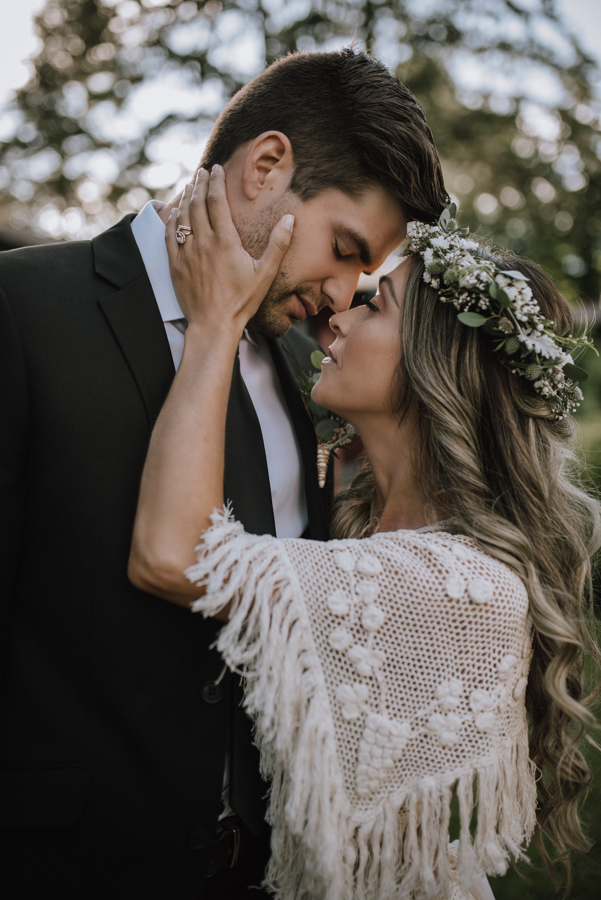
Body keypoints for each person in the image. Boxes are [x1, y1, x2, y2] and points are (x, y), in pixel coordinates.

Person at [0, 49, 448, 898]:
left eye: (369, 272)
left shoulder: (293, 366)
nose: (348, 293)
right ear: (266, 166)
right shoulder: (20, 310)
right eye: (345, 248)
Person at [129, 168, 600, 899]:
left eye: (377, 303)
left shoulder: (462, 585)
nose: (339, 313)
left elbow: (175, 555)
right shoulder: (360, 528)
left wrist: (214, 325)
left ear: (432, 363)